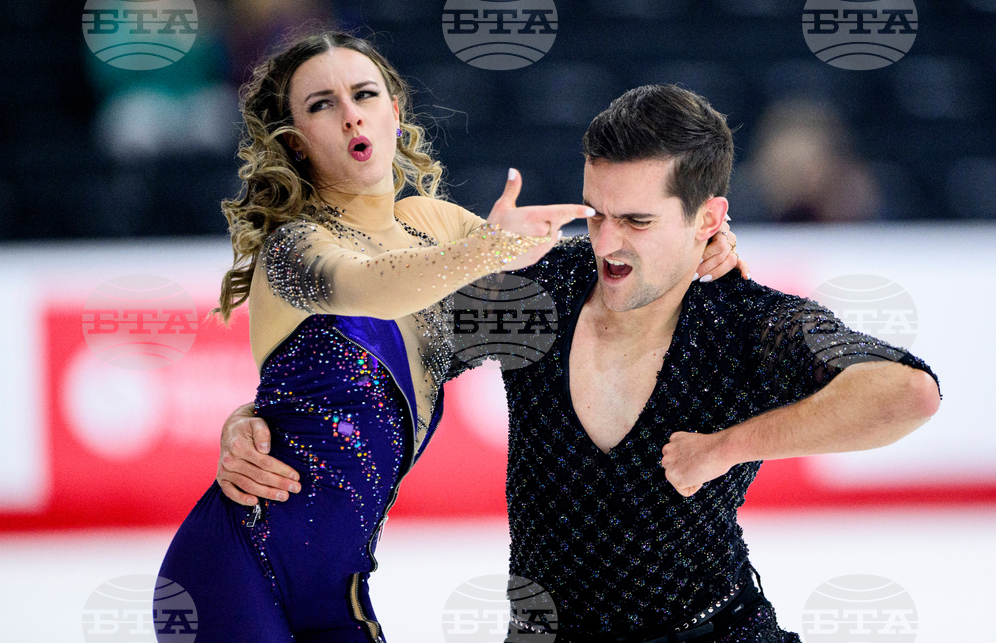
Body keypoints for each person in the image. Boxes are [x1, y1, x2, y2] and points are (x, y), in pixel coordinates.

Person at [218, 83, 941, 642]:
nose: (608, 242)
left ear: (709, 221)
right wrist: (255, 418)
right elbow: (373, 352)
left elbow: (907, 392)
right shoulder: (539, 292)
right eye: (597, 212)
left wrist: (728, 447)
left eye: (638, 220)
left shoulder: (748, 321)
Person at [154, 30, 598, 643]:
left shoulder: (433, 227)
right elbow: (373, 288)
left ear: (394, 111)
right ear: (295, 143)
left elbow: (579, 291)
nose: (350, 112)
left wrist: (694, 249)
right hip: (233, 570)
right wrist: (488, 249)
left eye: (364, 93)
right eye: (320, 105)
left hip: (340, 591)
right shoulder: (294, 250)